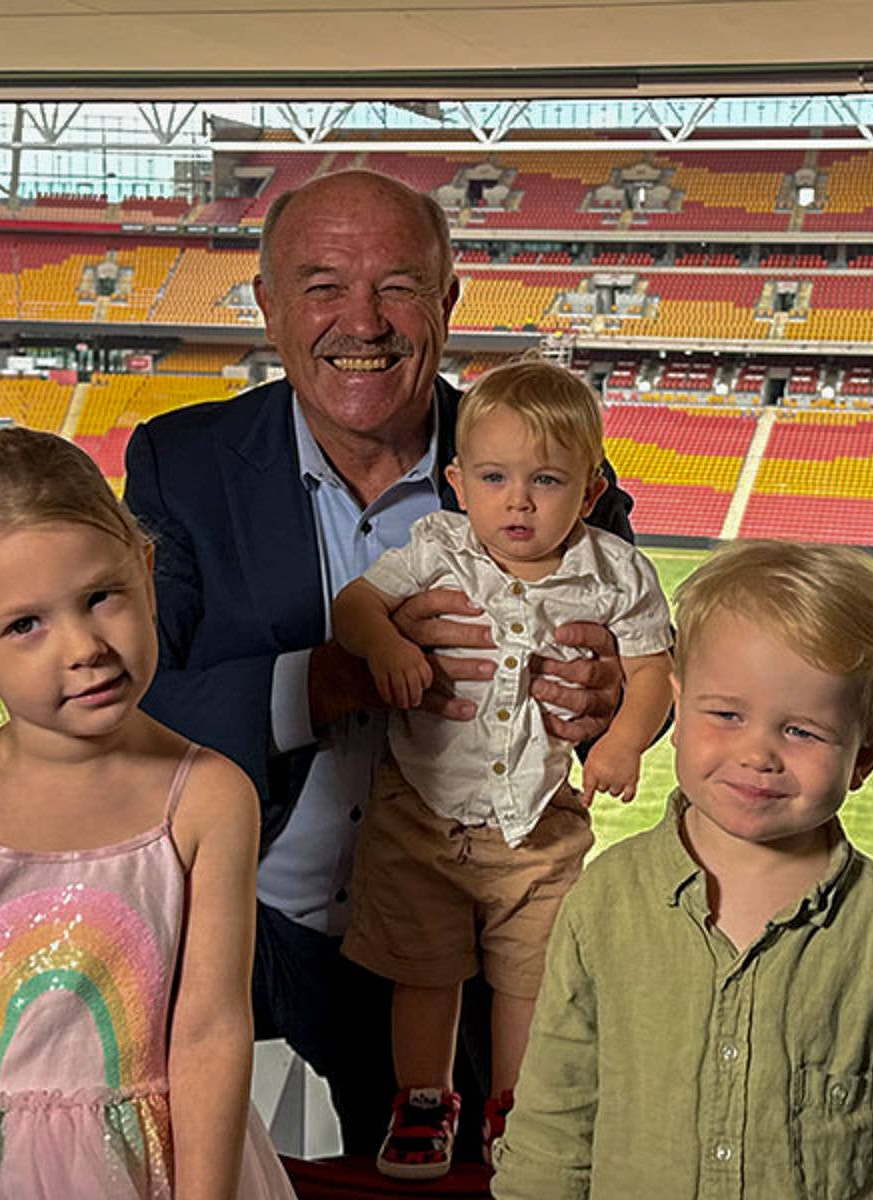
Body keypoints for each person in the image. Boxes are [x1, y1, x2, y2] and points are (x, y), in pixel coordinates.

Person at [121, 169, 639, 1155]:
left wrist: (613, 702)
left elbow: (647, 673)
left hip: (473, 950)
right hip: (243, 926)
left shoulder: (547, 462)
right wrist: (319, 682)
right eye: (322, 285)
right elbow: (126, 706)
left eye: (397, 285)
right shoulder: (178, 464)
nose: (361, 321)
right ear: (269, 305)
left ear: (446, 301)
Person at [0, 428, 292, 1200]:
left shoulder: (210, 797)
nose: (84, 646)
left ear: (145, 571)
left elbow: (209, 1035)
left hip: (164, 1170)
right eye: (24, 625)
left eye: (102, 596)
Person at [492, 539, 873, 1200]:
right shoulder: (605, 902)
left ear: (866, 756)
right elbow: (551, 1133)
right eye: (727, 714)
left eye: (803, 731)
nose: (758, 753)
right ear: (677, 707)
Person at [331, 358, 674, 1179]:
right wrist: (382, 645)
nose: (518, 500)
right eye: (494, 477)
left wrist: (623, 738)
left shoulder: (614, 570)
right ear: (456, 483)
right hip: (424, 811)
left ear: (590, 492)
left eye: (546, 480)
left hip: (540, 821)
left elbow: (655, 667)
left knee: (531, 977)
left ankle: (513, 1105)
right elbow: (354, 606)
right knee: (424, 970)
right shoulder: (438, 549)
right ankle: (424, 1097)